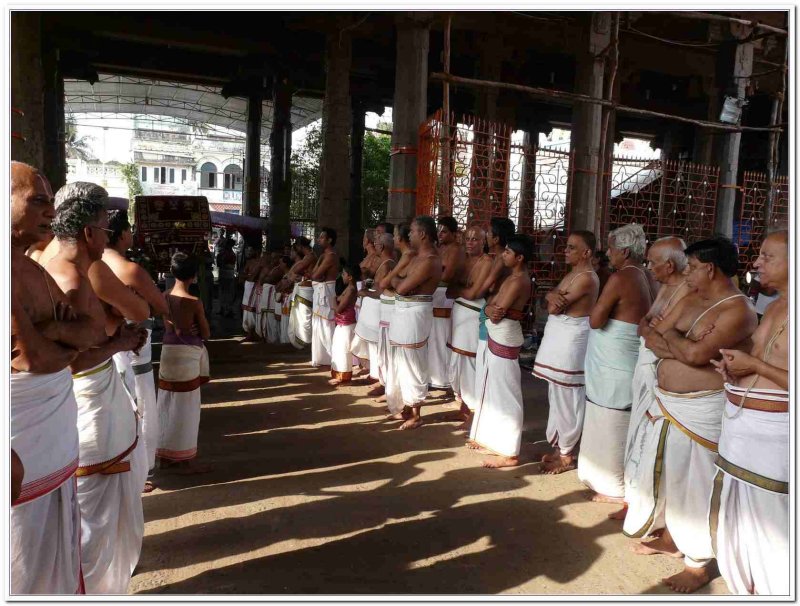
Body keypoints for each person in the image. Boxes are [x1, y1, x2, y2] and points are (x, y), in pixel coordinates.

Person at [639, 236, 757, 593]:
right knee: (672, 476)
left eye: (690, 267)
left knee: (699, 485)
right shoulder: (692, 297)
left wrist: (676, 341)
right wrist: (683, 342)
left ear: (709, 268)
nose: (685, 273)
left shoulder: (738, 310)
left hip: (704, 408)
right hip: (671, 403)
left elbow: (690, 354)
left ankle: (699, 563)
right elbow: (651, 336)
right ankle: (675, 538)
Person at [45, 192, 148, 594]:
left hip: (89, 391)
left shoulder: (58, 265)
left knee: (93, 510)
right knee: (95, 513)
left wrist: (114, 338)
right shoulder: (72, 278)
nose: (109, 237)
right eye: (106, 229)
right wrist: (118, 344)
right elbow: (69, 362)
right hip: (88, 398)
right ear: (89, 232)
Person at [10, 162, 102, 594]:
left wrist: (55, 332)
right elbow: (33, 358)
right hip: (22, 441)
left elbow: (87, 332)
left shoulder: (31, 267)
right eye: (38, 200)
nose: (50, 210)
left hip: (48, 435)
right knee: (22, 559)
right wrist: (64, 341)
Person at [709, 230, 789, 595]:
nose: (756, 263)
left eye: (767, 256)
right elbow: (758, 361)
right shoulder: (773, 306)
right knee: (743, 521)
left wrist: (753, 365)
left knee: (776, 530)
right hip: (744, 433)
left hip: (777, 439)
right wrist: (734, 368)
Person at [577, 224, 653, 504]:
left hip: (615, 361)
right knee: (615, 417)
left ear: (623, 251)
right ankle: (613, 482)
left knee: (610, 420)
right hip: (625, 357)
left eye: (610, 248)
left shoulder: (621, 278)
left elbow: (596, 320)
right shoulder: (646, 275)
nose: (607, 254)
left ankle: (613, 486)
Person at [619, 237, 689, 523]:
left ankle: (651, 511)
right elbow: (644, 326)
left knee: (652, 440)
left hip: (661, 372)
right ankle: (635, 500)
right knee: (637, 433)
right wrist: (651, 330)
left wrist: (652, 331)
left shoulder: (686, 292)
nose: (648, 267)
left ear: (669, 265)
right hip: (645, 364)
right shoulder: (664, 286)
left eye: (651, 262)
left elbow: (662, 335)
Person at [103, 210, 170, 493]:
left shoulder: (88, 266)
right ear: (121, 235)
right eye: (129, 230)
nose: (132, 235)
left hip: (100, 355)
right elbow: (160, 306)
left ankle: (116, 464)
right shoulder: (129, 270)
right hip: (131, 350)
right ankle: (138, 468)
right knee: (139, 406)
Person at [534, 231, 600, 474]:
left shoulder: (587, 278)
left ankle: (567, 454)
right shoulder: (573, 274)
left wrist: (550, 296)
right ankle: (560, 447)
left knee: (569, 396)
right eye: (567, 247)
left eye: (572, 248)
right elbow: (551, 302)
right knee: (557, 393)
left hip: (572, 340)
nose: (565, 251)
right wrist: (550, 295)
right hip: (561, 339)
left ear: (587, 253)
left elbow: (552, 307)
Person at [467, 234, 533, 468]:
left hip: (504, 334)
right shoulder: (512, 276)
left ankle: (510, 451)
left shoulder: (518, 281)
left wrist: (493, 308)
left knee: (506, 392)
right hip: (500, 332)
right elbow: (492, 306)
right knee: (494, 387)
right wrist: (492, 308)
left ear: (519, 257)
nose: (503, 255)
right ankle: (494, 440)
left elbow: (497, 309)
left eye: (507, 253)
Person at [157, 253, 211, 473]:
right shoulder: (194, 302)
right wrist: (196, 329)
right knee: (187, 408)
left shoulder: (164, 296)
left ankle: (165, 456)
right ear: (193, 276)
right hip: (188, 354)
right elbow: (205, 332)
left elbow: (169, 327)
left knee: (166, 404)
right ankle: (186, 459)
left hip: (168, 352)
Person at [388, 217, 442, 429]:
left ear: (422, 234)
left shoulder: (430, 260)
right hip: (404, 311)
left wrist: (398, 283)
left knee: (413, 361)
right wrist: (399, 283)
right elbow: (398, 282)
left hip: (415, 312)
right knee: (401, 359)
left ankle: (417, 413)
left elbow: (399, 286)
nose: (408, 235)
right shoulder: (415, 257)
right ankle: (405, 406)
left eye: (411, 231)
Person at [472, 217, 516, 436]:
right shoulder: (505, 261)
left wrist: (467, 288)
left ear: (496, 238)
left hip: (493, 314)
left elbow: (482, 289)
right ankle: (483, 424)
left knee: (485, 370)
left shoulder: (500, 260)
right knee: (486, 370)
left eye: (488, 233)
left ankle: (484, 423)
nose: (486, 236)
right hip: (493, 312)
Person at [446, 225, 493, 427]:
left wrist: (460, 290)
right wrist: (462, 290)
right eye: (468, 239)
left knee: (469, 364)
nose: (471, 242)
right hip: (458, 312)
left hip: (473, 315)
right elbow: (449, 289)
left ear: (484, 242)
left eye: (475, 239)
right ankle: (464, 407)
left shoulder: (487, 262)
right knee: (456, 362)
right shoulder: (463, 260)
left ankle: (475, 413)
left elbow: (475, 294)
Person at [378, 225, 416, 417]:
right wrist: (395, 281)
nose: (393, 238)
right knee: (394, 360)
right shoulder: (405, 257)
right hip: (398, 310)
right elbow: (387, 283)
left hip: (405, 312)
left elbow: (394, 285)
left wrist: (394, 281)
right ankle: (396, 400)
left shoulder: (409, 257)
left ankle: (405, 405)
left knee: (403, 362)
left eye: (394, 235)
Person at [356, 233, 398, 400]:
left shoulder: (388, 264)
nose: (374, 245)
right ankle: (382, 381)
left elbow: (381, 291)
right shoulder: (383, 263)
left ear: (381, 246)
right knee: (380, 350)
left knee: (385, 352)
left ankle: (387, 386)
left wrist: (365, 292)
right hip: (380, 312)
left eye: (377, 243)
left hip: (384, 311)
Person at [429, 216, 464, 392]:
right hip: (435, 294)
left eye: (444, 232)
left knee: (442, 336)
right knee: (434, 336)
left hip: (446, 294)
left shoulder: (456, 250)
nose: (440, 234)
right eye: (439, 231)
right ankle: (434, 376)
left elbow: (447, 275)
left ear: (453, 233)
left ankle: (444, 379)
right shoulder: (439, 248)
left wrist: (429, 276)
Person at [310, 227, 340, 367]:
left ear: (329, 240)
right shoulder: (324, 255)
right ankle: (322, 358)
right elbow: (315, 274)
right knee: (318, 323)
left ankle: (334, 357)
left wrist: (316, 272)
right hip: (321, 290)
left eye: (322, 237)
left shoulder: (330, 256)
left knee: (326, 324)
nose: (318, 239)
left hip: (326, 291)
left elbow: (315, 275)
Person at [329, 265, 360, 386]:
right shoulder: (349, 288)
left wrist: (333, 301)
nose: (342, 276)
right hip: (342, 323)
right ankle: (339, 375)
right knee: (338, 348)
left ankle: (343, 376)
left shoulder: (351, 289)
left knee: (343, 350)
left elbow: (338, 309)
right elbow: (339, 299)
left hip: (346, 323)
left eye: (344, 274)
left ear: (350, 277)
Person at [286, 237, 315, 349]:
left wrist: (294, 274)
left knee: (304, 318)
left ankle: (306, 343)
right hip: (302, 290)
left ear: (300, 246)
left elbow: (296, 269)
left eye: (296, 246)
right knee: (300, 316)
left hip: (306, 290)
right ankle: (301, 343)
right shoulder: (307, 257)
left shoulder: (311, 256)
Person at [240, 246, 262, 341]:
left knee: (254, 309)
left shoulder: (261, 262)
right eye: (247, 250)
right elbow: (243, 275)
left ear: (256, 251)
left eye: (250, 250)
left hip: (256, 287)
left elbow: (252, 277)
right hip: (248, 287)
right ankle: (249, 332)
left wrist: (250, 276)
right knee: (247, 310)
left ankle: (255, 333)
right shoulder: (249, 262)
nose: (248, 252)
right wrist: (248, 276)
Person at [217, 238, 237, 317]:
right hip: (228, 273)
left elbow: (219, 263)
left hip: (224, 272)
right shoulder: (230, 254)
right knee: (228, 292)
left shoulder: (223, 253)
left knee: (224, 291)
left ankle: (224, 308)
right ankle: (227, 309)